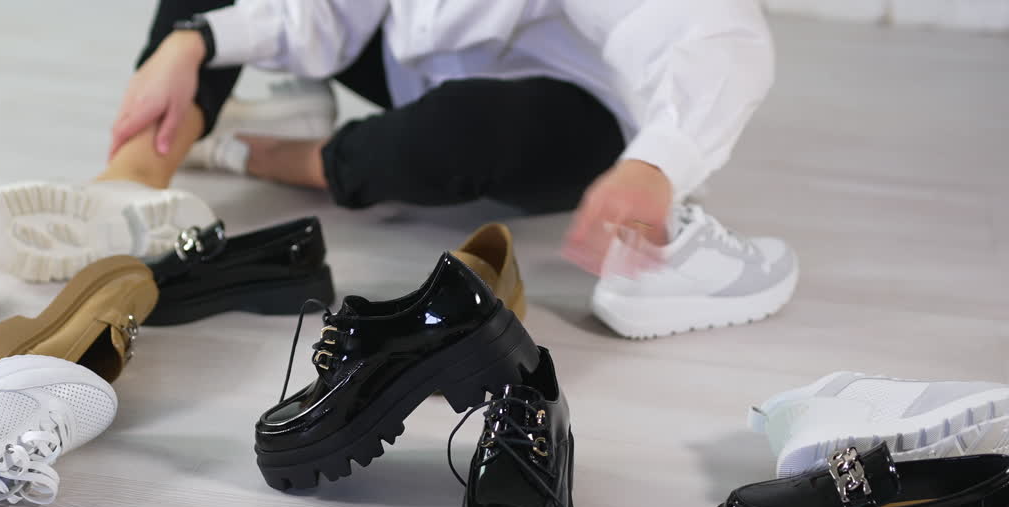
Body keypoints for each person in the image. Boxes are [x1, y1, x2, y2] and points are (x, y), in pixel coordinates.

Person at [98, 0, 798, 339]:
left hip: (565, 114)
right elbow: (324, 14)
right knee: (207, 13)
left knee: (447, 135)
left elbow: (717, 34)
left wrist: (656, 163)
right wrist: (195, 40)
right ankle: (131, 183)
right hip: (421, 74)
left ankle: (251, 147)